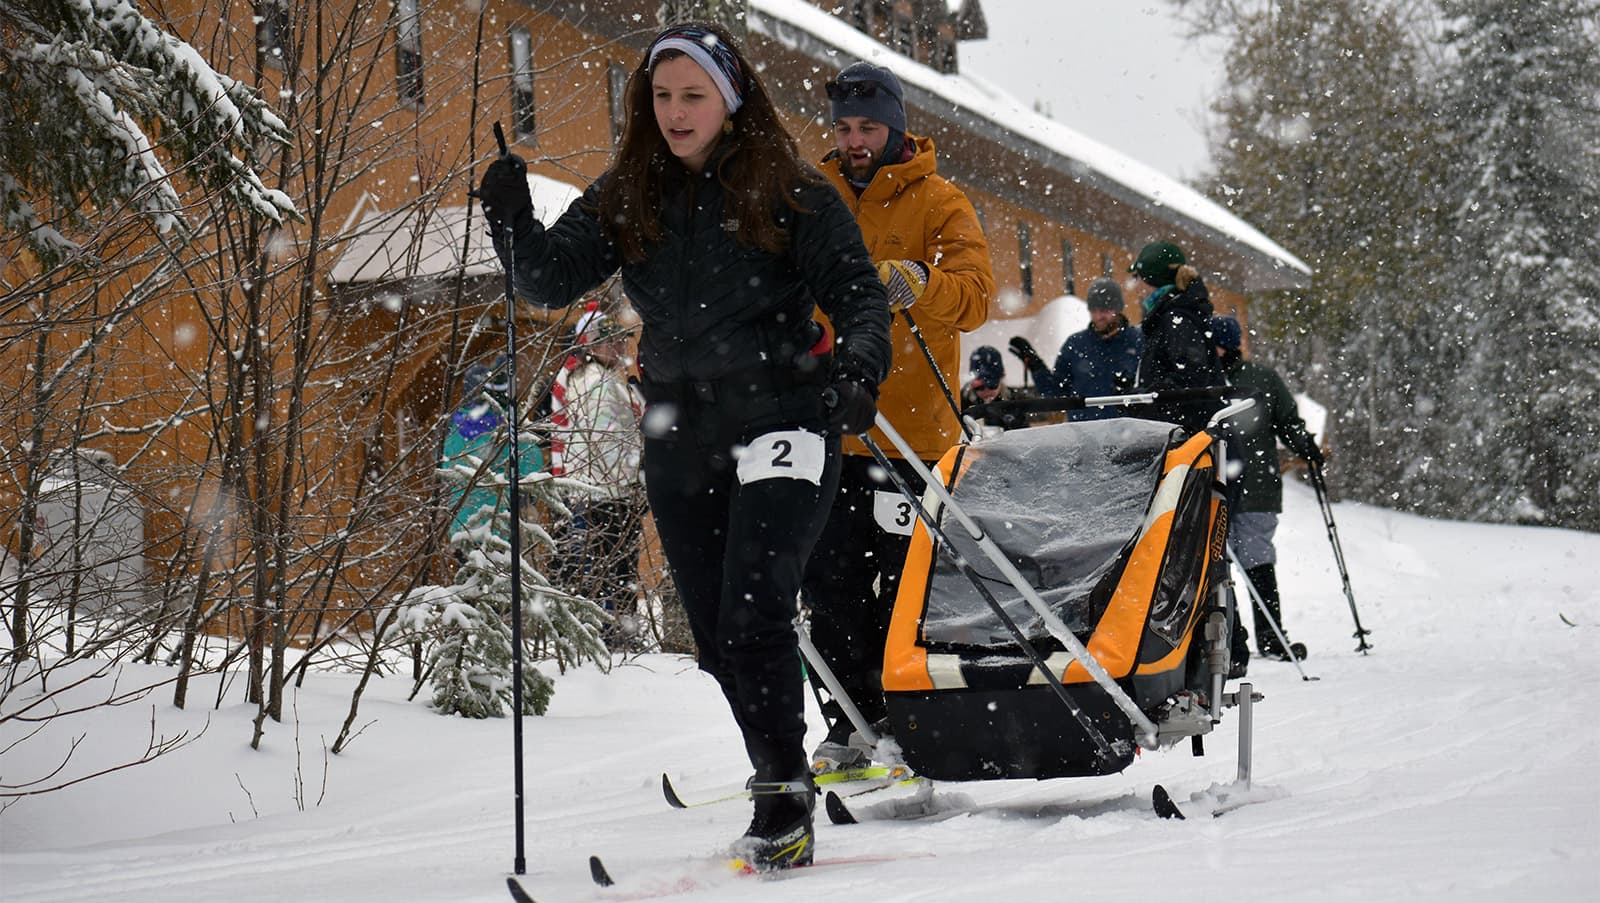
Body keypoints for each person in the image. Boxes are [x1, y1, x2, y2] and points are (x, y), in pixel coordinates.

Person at [472, 22, 892, 870]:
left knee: (754, 607)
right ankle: (777, 767)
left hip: (785, 415)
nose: (674, 112)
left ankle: (780, 791)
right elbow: (552, 278)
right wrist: (511, 217)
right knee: (712, 632)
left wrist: (856, 372)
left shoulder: (792, 190)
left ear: (731, 102)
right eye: (661, 96)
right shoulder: (631, 192)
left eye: (692, 94)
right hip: (679, 426)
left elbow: (858, 296)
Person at [802, 60, 994, 773]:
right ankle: (848, 723)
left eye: (869, 126)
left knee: (905, 587)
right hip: (827, 428)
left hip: (912, 436)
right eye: (845, 127)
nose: (855, 140)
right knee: (828, 586)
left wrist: (922, 283)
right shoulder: (810, 197)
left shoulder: (939, 201)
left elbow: (975, 296)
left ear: (896, 127)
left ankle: (907, 719)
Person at [1210, 316, 1323, 661]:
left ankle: (1270, 636)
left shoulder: (1259, 380)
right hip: (1216, 485)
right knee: (1219, 565)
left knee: (1254, 558)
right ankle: (1233, 639)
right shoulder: (1206, 381)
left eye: (1213, 345)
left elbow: (1287, 421)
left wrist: (1306, 446)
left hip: (1256, 486)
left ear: (1227, 346)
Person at [548, 303, 646, 646]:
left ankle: (603, 633)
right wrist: (639, 478)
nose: (620, 348)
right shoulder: (597, 384)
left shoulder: (590, 379)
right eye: (611, 343)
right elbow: (610, 443)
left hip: (591, 491)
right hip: (604, 492)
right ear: (591, 347)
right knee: (610, 571)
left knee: (594, 569)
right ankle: (609, 637)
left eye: (620, 341)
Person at [1006, 277, 1143, 419]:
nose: (1099, 316)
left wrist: (1133, 393)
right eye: (1094, 310)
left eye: (1105, 310)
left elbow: (1153, 390)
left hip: (1128, 432)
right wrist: (1035, 364)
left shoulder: (1138, 342)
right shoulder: (1076, 344)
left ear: (1118, 309)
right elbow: (1056, 393)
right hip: (1084, 434)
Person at [441, 358, 544, 546]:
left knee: (471, 572)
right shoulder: (507, 427)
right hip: (503, 526)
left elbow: (444, 470)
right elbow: (533, 469)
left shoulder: (454, 429)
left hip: (462, 527)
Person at [1129, 241, 1224, 433]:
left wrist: (1144, 398)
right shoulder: (1171, 314)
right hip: (1181, 429)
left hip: (1187, 436)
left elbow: (1190, 377)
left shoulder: (1176, 318)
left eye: (1137, 277)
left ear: (1151, 280)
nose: (1136, 285)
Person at [960, 345, 1032, 432]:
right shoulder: (961, 402)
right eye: (980, 387)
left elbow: (1023, 434)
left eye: (992, 385)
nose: (986, 391)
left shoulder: (1014, 401)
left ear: (1001, 380)